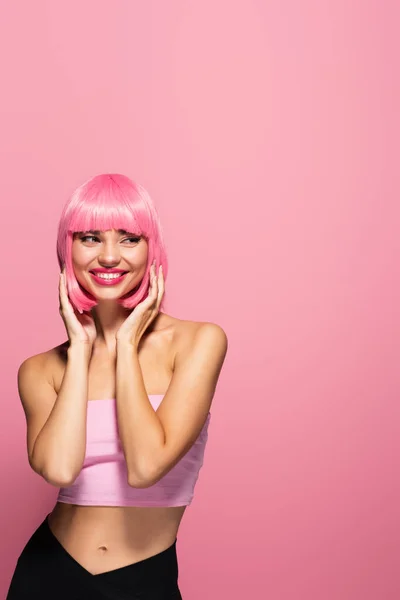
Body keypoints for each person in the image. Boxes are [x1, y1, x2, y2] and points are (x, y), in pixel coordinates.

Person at [6, 173, 228, 599]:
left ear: (152, 250)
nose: (109, 256)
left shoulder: (198, 342)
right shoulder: (40, 369)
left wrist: (126, 343)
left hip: (144, 579)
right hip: (47, 575)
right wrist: (82, 347)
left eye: (129, 238)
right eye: (90, 238)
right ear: (67, 250)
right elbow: (60, 469)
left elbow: (146, 467)